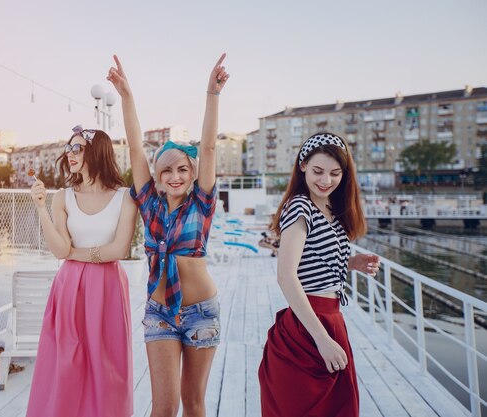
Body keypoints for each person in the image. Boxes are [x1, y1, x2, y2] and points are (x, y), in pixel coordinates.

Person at [107, 54, 229, 417]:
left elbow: (207, 148)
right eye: (166, 171)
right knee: (163, 406)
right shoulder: (150, 205)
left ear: (192, 175)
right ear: (157, 179)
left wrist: (212, 94)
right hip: (159, 312)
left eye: (181, 170)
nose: (174, 176)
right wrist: (127, 96)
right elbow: (134, 148)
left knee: (193, 403)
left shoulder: (202, 204)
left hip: (200, 314)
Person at [258, 132, 380, 417]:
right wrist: (322, 339)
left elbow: (312, 259)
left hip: (332, 319)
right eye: (318, 171)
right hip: (308, 326)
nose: (326, 180)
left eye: (335, 173)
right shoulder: (300, 207)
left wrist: (351, 262)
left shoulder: (330, 209)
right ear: (302, 166)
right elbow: (286, 276)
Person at [26, 125, 137, 417]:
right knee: (66, 362)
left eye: (78, 148)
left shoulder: (125, 196)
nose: (70, 154)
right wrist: (40, 208)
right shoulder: (62, 197)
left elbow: (119, 250)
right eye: (69, 148)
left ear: (96, 152)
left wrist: (76, 254)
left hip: (109, 286)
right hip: (70, 286)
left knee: (107, 363)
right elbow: (60, 250)